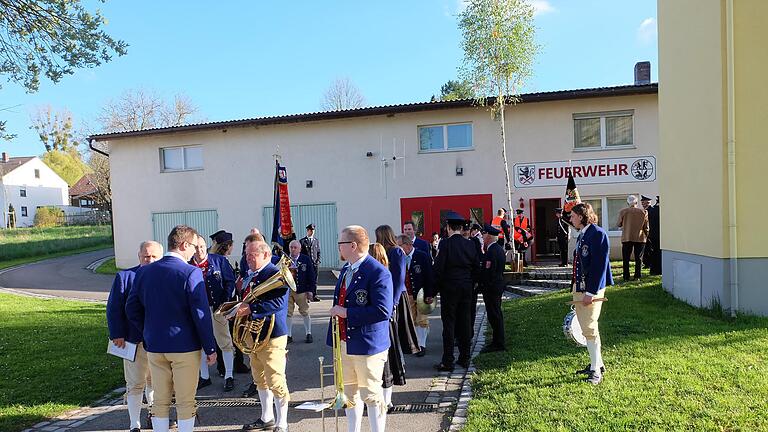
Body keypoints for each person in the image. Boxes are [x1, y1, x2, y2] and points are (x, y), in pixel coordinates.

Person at [125, 225, 217, 432]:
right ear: (184, 244)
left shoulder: (144, 272)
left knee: (160, 400)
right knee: (185, 401)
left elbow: (131, 308)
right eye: (194, 246)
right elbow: (201, 315)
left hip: (155, 346)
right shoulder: (190, 272)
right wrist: (210, 348)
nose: (195, 251)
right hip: (185, 347)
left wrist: (148, 330)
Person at [328, 225, 392, 432]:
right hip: (345, 341)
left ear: (353, 245)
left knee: (371, 395)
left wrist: (347, 313)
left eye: (341, 243)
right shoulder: (347, 268)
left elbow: (383, 311)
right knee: (349, 393)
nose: (338, 247)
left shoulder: (378, 272)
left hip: (367, 345)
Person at [107, 240, 163, 432]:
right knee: (135, 383)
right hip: (132, 340)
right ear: (139, 256)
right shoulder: (125, 276)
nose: (150, 259)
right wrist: (117, 333)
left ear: (161, 257)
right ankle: (134, 424)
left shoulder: (165, 277)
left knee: (156, 382)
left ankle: (155, 418)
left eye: (154, 256)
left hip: (158, 341)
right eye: (146, 256)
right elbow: (114, 308)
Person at [237, 238, 291, 432]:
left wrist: (250, 308)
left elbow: (278, 304)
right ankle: (266, 417)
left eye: (253, 255)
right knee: (259, 377)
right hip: (253, 333)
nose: (248, 259)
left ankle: (282, 422)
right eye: (247, 255)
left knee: (276, 378)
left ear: (266, 255)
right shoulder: (251, 274)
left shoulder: (274, 273)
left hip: (272, 334)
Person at [426, 211, 479, 372]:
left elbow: (438, 270)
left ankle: (448, 360)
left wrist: (431, 292)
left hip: (449, 288)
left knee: (449, 324)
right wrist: (473, 284)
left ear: (448, 227)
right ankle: (465, 357)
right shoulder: (470, 244)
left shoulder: (445, 244)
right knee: (465, 321)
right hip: (466, 287)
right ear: (461, 227)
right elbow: (477, 266)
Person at [374, 225, 419, 412]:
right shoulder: (383, 252)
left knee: (396, 337)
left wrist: (391, 304)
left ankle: (399, 365)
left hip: (395, 299)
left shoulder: (397, 252)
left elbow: (399, 279)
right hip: (388, 298)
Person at [569, 203, 613, 385]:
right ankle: (598, 363)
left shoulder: (598, 234)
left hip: (590, 289)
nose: (570, 219)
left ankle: (596, 371)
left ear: (581, 216)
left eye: (572, 216)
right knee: (589, 328)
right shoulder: (584, 233)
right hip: (581, 287)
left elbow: (599, 267)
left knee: (589, 329)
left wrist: (591, 292)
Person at [190, 235, 237, 392]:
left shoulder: (219, 261)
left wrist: (225, 301)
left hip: (218, 308)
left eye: (202, 246)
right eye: (196, 247)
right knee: (200, 343)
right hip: (197, 311)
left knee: (224, 342)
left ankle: (229, 375)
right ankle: (204, 377)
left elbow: (230, 281)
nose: (200, 250)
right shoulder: (188, 264)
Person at [209, 230, 251, 375]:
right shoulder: (220, 261)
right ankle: (228, 366)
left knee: (228, 335)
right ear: (228, 246)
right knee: (228, 336)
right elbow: (228, 284)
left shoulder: (219, 260)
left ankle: (231, 365)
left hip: (228, 303)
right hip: (226, 305)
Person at [396, 235, 434, 357]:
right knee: (411, 320)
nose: (398, 248)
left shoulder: (422, 256)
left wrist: (429, 294)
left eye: (400, 245)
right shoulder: (399, 257)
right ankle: (414, 342)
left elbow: (429, 276)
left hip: (421, 293)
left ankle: (421, 345)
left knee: (422, 320)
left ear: (407, 245)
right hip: (407, 295)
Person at [479, 225, 506, 353]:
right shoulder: (498, 249)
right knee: (496, 314)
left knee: (494, 315)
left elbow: (489, 272)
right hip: (497, 286)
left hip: (492, 288)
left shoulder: (491, 251)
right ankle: (497, 341)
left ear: (488, 236)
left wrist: (484, 286)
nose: (482, 237)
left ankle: (498, 343)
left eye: (484, 234)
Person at [286, 239, 316, 343]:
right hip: (288, 290)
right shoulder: (285, 259)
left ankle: (309, 333)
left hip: (301, 290)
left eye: (295, 248)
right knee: (288, 313)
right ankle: (288, 335)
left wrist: (311, 290)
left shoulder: (305, 259)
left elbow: (311, 276)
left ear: (300, 249)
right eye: (291, 247)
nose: (293, 250)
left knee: (305, 311)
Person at [617, 195, 649, 281]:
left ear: (628, 203)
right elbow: (646, 227)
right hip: (640, 237)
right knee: (638, 258)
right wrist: (647, 235)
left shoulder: (623, 212)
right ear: (636, 202)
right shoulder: (643, 212)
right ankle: (637, 276)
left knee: (626, 258)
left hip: (627, 237)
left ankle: (626, 276)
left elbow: (618, 224)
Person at [300, 223, 322, 301]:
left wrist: (318, 261)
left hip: (314, 264)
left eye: (313, 230)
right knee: (306, 280)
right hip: (306, 264)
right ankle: (307, 297)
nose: (312, 231)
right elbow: (301, 254)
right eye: (310, 230)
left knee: (314, 280)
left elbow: (318, 251)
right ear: (307, 231)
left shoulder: (316, 241)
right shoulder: (302, 241)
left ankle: (314, 295)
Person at [648, 196, 662, 275]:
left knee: (654, 252)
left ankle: (653, 270)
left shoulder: (651, 210)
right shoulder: (662, 211)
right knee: (659, 253)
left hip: (652, 235)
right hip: (661, 235)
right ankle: (659, 269)